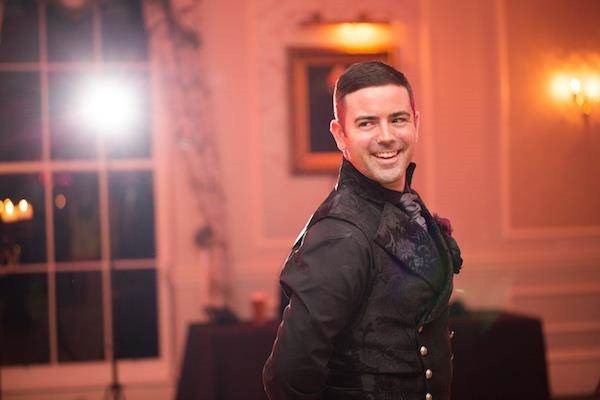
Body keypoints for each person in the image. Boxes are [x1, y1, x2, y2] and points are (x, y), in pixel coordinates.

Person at [263, 61, 463, 400]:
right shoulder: (339, 237)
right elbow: (286, 379)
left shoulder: (404, 203)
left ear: (415, 125)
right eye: (367, 123)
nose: (386, 136)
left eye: (397, 119)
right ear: (341, 136)